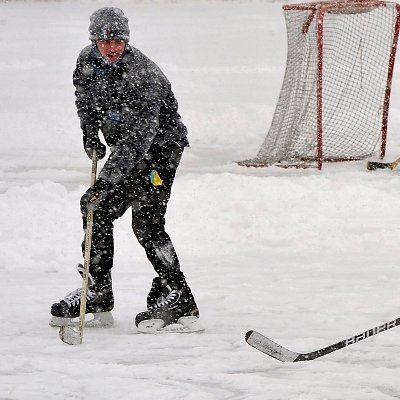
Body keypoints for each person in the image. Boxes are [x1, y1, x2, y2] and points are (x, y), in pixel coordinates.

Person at [49, 7, 201, 332]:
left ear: (126, 39)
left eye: (118, 39)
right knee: (96, 209)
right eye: (105, 40)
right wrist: (89, 132)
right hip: (130, 151)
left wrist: (105, 179)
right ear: (94, 40)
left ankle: (179, 296)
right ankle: (99, 292)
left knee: (146, 221)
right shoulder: (86, 62)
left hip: (159, 151)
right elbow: (85, 99)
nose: (112, 46)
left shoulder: (142, 73)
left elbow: (139, 138)